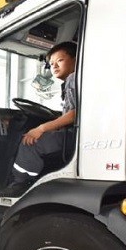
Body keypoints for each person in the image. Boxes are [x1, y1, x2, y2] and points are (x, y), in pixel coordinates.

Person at [8, 41, 77, 194]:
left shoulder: (73, 79)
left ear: (75, 60)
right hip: (75, 135)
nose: (54, 66)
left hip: (74, 136)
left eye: (60, 60)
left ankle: (21, 183)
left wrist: (41, 128)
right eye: (51, 64)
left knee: (29, 142)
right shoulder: (71, 82)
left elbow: (73, 115)